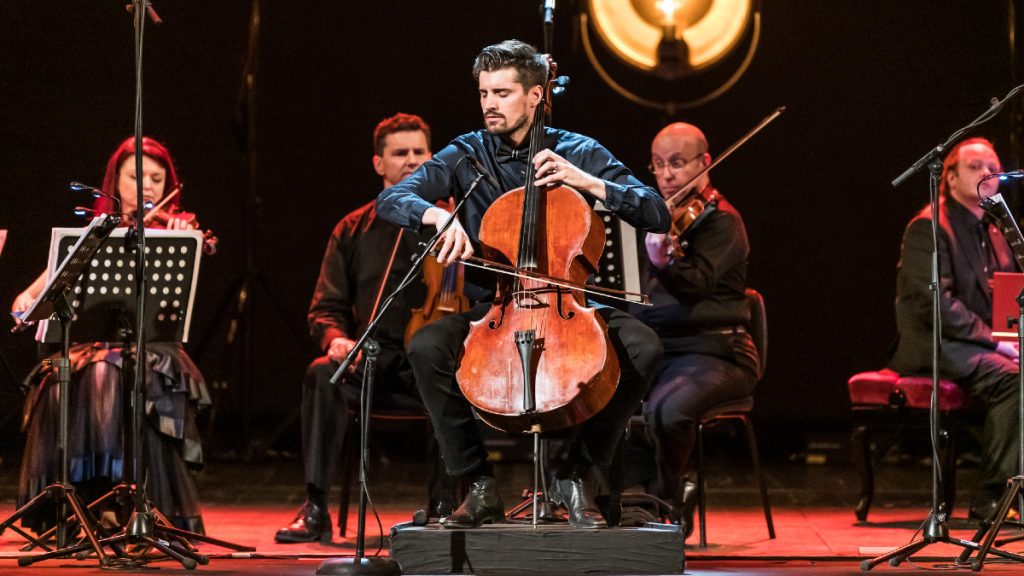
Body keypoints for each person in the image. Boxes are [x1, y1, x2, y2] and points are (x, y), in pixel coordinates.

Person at [376, 39, 671, 529]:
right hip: (496, 308)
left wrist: (588, 182)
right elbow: (393, 198)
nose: (490, 104)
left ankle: (578, 475)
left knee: (644, 347)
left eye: (503, 93)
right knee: (426, 347)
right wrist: (436, 216)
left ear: (536, 95)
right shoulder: (466, 154)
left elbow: (656, 212)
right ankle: (478, 483)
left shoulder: (578, 151)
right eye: (484, 93)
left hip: (566, 303)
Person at [12, 136, 210, 534]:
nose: (148, 186)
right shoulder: (95, 233)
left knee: (106, 371)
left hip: (153, 350)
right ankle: (88, 503)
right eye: (136, 176)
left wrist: (185, 237)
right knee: (72, 371)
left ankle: (121, 502)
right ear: (115, 181)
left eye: (157, 178)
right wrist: (24, 307)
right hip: (91, 347)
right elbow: (30, 295)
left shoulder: (175, 230)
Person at [275, 113, 448, 543]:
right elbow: (326, 307)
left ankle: (445, 507)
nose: (412, 160)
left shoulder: (451, 220)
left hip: (432, 363)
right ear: (379, 163)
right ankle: (316, 506)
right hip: (373, 361)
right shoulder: (353, 228)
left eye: (420, 152)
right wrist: (336, 340)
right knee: (321, 374)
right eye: (400, 153)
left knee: (457, 378)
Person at [627, 123, 759, 537]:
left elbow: (696, 287)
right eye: (659, 164)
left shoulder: (722, 222)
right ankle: (626, 499)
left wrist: (664, 262)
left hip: (717, 352)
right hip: (659, 350)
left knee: (667, 410)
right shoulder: (657, 220)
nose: (666, 174)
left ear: (705, 163)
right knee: (597, 394)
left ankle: (669, 495)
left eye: (677, 163)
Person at [889, 137, 1021, 522]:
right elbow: (937, 306)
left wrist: (1013, 337)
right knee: (1014, 381)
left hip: (977, 344)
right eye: (975, 167)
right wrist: (997, 342)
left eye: (992, 167)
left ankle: (1017, 490)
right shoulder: (929, 226)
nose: (987, 173)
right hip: (937, 343)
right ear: (949, 178)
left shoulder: (994, 229)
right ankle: (992, 498)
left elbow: (1007, 297)